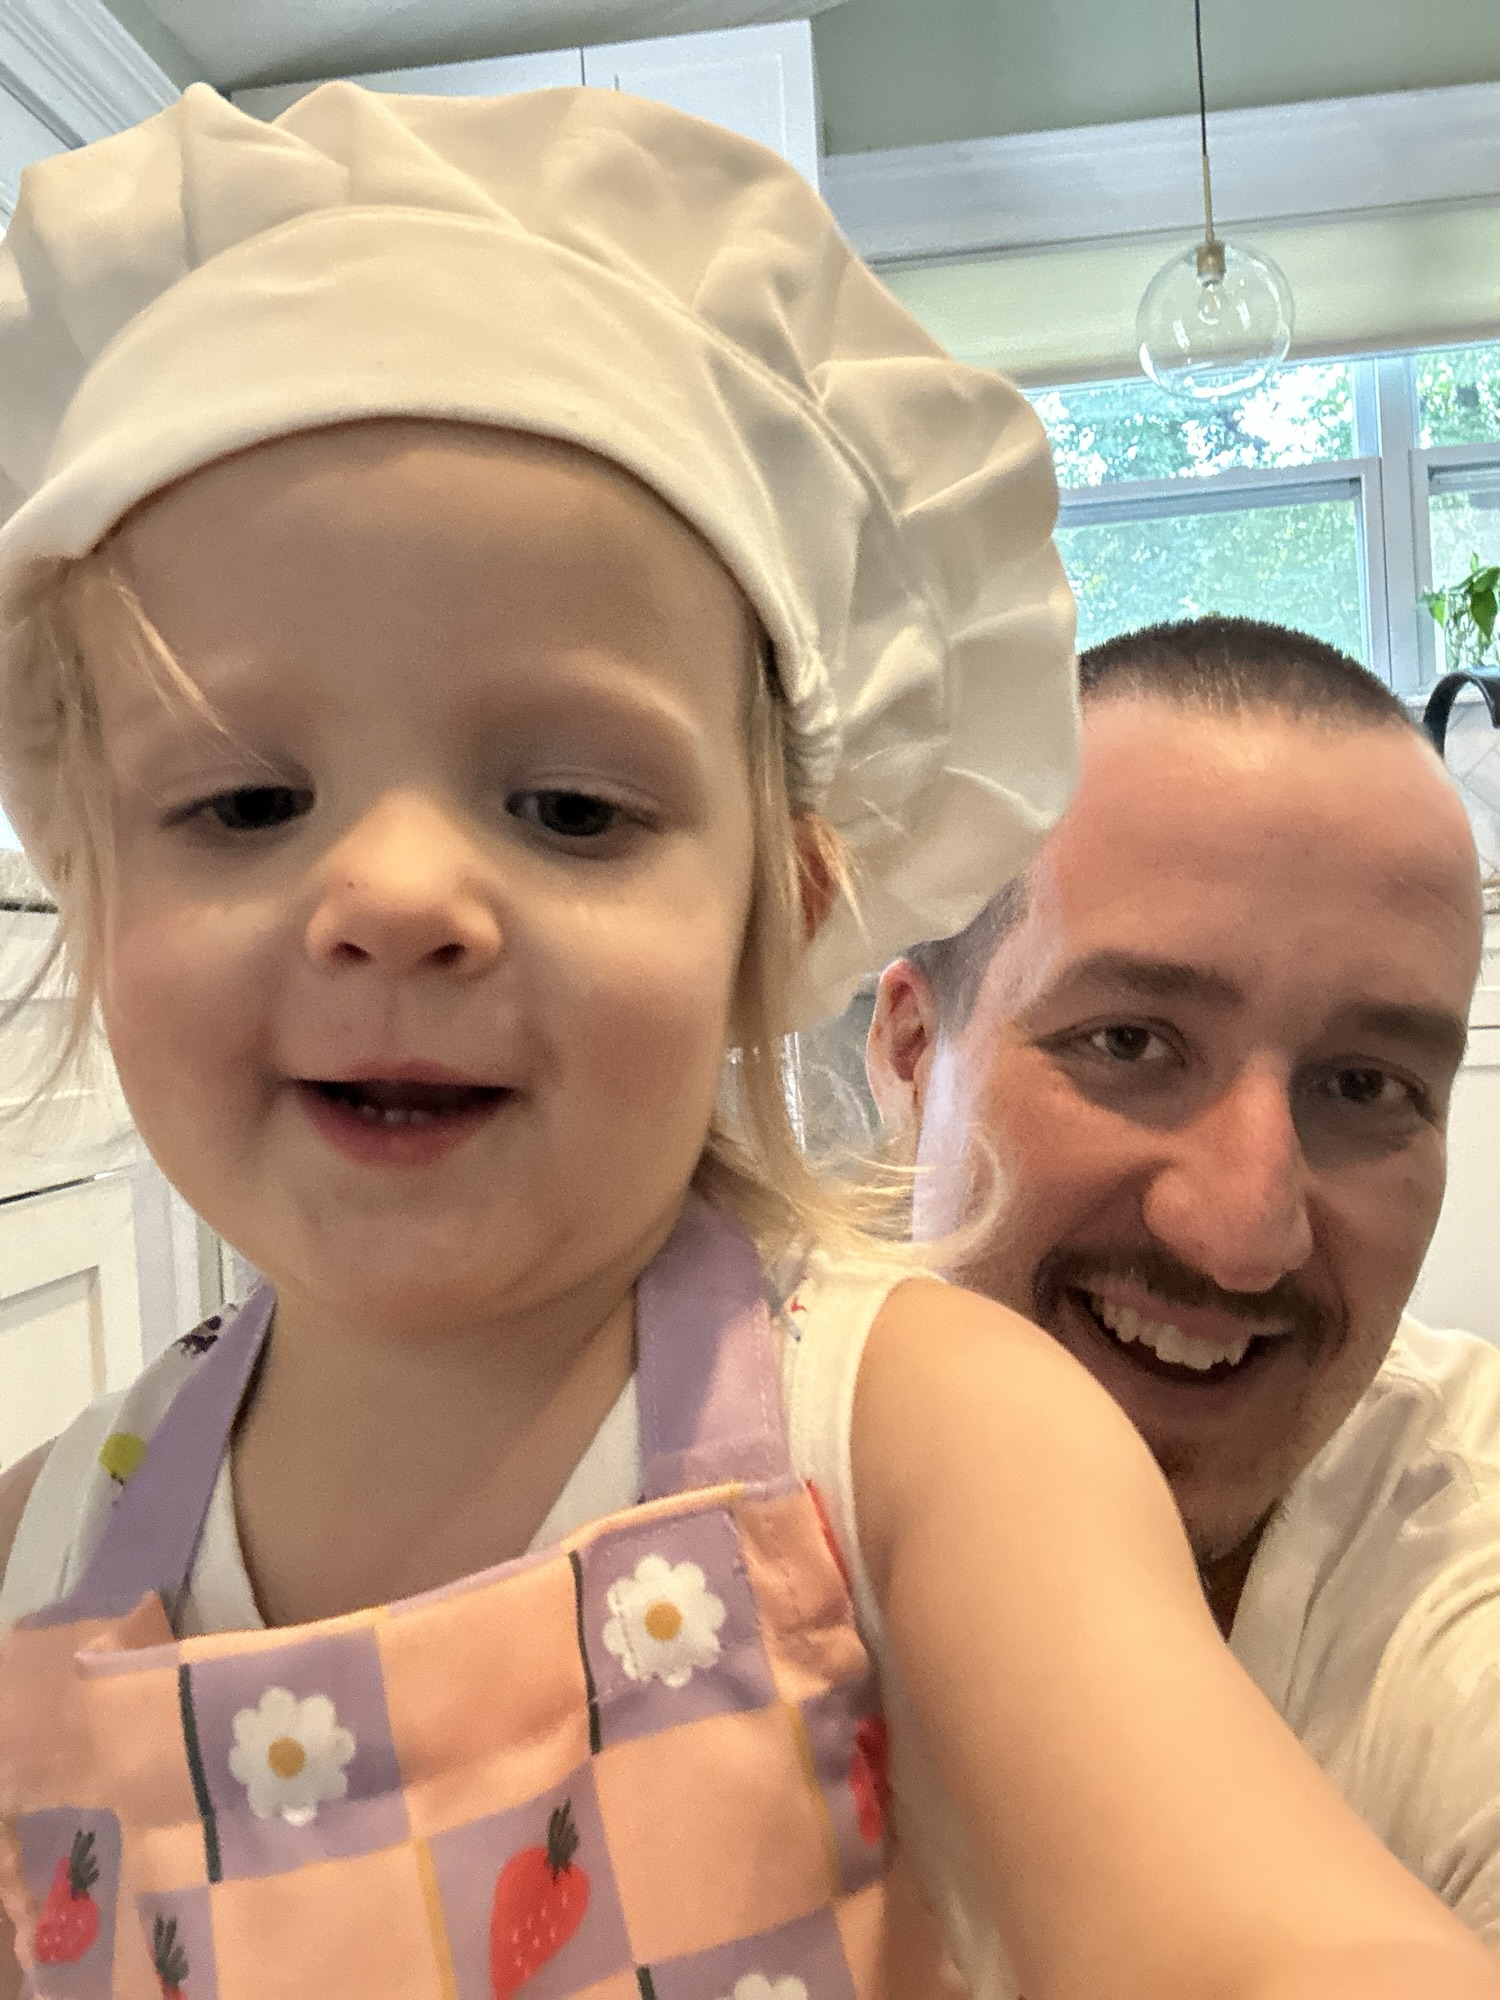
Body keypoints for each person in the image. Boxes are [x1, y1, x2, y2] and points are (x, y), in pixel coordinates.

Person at [0, 89, 1492, 2000]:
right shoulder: (45, 1548)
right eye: (240, 802)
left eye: (570, 808)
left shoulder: (931, 1438)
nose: (391, 894)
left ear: (779, 915)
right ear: (90, 882)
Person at [867, 614, 1500, 1948]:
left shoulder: (1458, 1578)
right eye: (1129, 1042)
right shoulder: (644, 1470)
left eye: (1364, 1086)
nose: (1245, 1232)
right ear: (914, 1055)